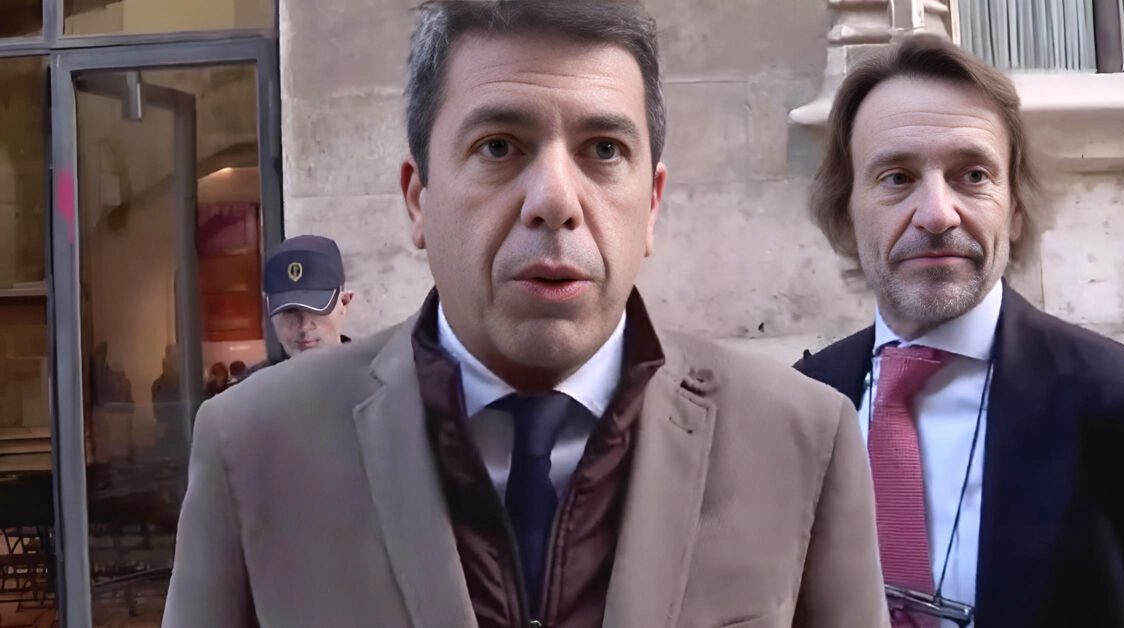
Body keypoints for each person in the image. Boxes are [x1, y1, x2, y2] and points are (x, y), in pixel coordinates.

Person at [164, 2, 887, 627]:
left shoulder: (800, 441)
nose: (555, 200)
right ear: (418, 199)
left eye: (603, 150)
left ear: (652, 205)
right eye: (499, 147)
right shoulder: (254, 448)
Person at [794, 34, 1124, 628]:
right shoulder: (795, 406)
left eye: (973, 175)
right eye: (897, 178)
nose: (937, 214)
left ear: (1014, 209)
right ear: (846, 209)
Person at [240, 234, 354, 380]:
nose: (304, 326)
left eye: (316, 309)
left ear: (344, 302)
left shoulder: (375, 384)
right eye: (289, 311)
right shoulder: (251, 389)